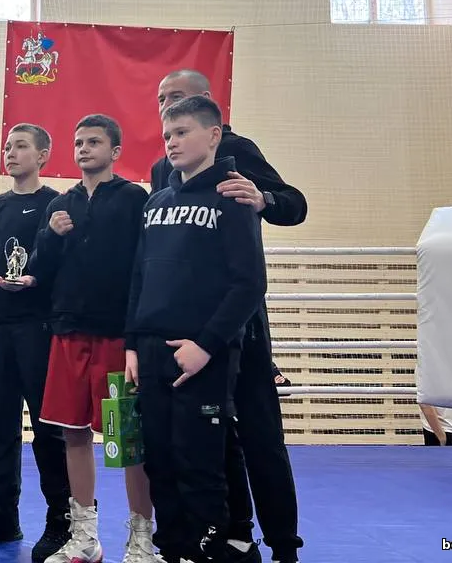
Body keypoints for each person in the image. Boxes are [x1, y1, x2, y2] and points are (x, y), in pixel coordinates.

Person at [151, 69, 307, 563]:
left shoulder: (238, 151)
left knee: (259, 432)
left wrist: (264, 199)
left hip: (241, 322)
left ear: (207, 104)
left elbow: (295, 204)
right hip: (187, 328)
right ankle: (231, 532)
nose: (167, 106)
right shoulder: (162, 169)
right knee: (206, 438)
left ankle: (283, 542)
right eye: (161, 100)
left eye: (178, 97)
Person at [127, 95, 268, 563]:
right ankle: (174, 550)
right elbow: (139, 277)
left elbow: (250, 284)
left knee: (200, 464)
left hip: (202, 356)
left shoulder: (232, 199)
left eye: (182, 132)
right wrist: (132, 345)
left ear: (213, 136)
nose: (172, 142)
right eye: (167, 134)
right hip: (151, 352)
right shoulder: (157, 202)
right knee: (160, 461)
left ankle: (207, 551)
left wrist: (206, 346)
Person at [20, 114, 155, 563]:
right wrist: (51, 236)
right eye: (78, 142)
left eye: (93, 142)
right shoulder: (61, 204)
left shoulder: (134, 198)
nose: (83, 149)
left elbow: (144, 268)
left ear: (114, 151)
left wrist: (136, 335)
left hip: (116, 334)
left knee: (128, 438)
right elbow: (39, 269)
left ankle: (142, 539)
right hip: (68, 331)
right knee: (72, 434)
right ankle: (84, 537)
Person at [0, 124, 72, 561]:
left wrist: (35, 280)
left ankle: (60, 519)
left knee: (47, 428)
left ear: (43, 155)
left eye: (21, 146)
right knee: (2, 426)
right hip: (0, 329)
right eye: (8, 146)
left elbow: (62, 264)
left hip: (38, 328)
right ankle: (4, 514)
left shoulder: (56, 203)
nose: (11, 153)